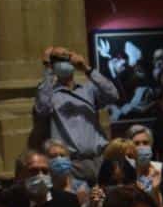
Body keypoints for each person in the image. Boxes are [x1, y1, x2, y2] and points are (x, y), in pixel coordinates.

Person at [34, 45, 119, 183]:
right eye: (58, 59)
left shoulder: (88, 90)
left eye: (66, 57)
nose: (64, 62)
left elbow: (113, 95)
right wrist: (48, 68)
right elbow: (42, 109)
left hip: (99, 158)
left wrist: (86, 68)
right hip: (71, 164)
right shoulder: (51, 94)